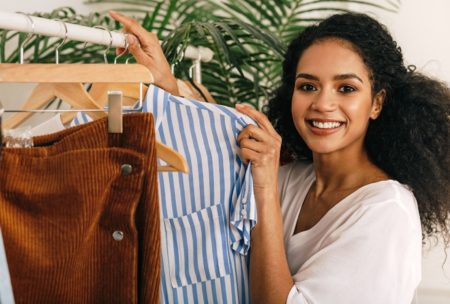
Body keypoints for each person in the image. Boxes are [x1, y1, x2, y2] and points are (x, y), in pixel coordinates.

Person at [110, 11, 450, 304]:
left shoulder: (385, 211)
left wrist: (265, 188)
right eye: (308, 86)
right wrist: (167, 87)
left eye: (346, 88)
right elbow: (213, 153)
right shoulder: (293, 177)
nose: (323, 103)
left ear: (376, 103)